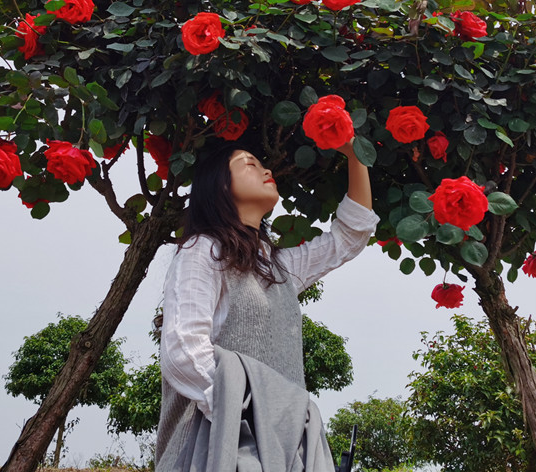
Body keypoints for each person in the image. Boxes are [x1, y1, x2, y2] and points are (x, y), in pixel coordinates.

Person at [156, 138, 378, 471]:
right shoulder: (202, 250)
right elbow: (183, 348)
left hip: (281, 448)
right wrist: (248, 417)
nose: (266, 170)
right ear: (219, 187)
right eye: (250, 164)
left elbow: (349, 237)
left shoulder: (279, 268)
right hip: (215, 447)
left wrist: (354, 155)